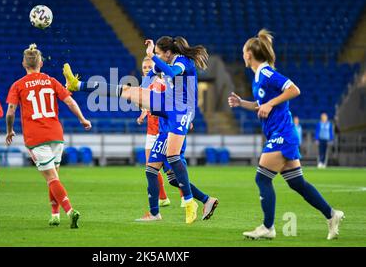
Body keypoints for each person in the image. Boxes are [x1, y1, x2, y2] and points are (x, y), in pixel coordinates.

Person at [63, 36, 218, 224]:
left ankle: (189, 202)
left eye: (160, 54)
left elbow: (170, 72)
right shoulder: (164, 61)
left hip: (183, 109)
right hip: (167, 103)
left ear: (168, 53)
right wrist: (140, 97)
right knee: (128, 92)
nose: (158, 57)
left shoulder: (182, 61)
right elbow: (148, 80)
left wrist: (153, 56)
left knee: (173, 157)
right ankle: (77, 85)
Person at [228, 29, 344, 240]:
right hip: (280, 132)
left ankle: (268, 227)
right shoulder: (258, 76)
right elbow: (260, 105)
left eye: (243, 52)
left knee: (262, 178)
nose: (242, 55)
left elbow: (294, 89)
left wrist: (271, 103)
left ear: (249, 54)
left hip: (282, 134)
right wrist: (241, 103)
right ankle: (331, 214)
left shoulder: (266, 73)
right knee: (297, 183)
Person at [5, 44, 91, 228]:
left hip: (36, 138)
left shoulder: (18, 85)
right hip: (56, 134)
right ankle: (54, 215)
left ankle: (69, 210)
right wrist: (83, 119)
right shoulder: (51, 81)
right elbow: (70, 101)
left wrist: (9, 130)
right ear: (41, 63)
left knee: (51, 178)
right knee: (54, 178)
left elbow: (11, 111)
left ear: (23, 63)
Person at [136, 56, 171, 207]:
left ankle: (185, 197)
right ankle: (163, 198)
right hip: (151, 131)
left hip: (163, 130)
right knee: (150, 166)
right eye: (144, 67)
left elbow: (171, 104)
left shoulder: (163, 84)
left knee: (170, 167)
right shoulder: (144, 86)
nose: (146, 70)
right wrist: (143, 113)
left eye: (149, 67)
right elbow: (145, 106)